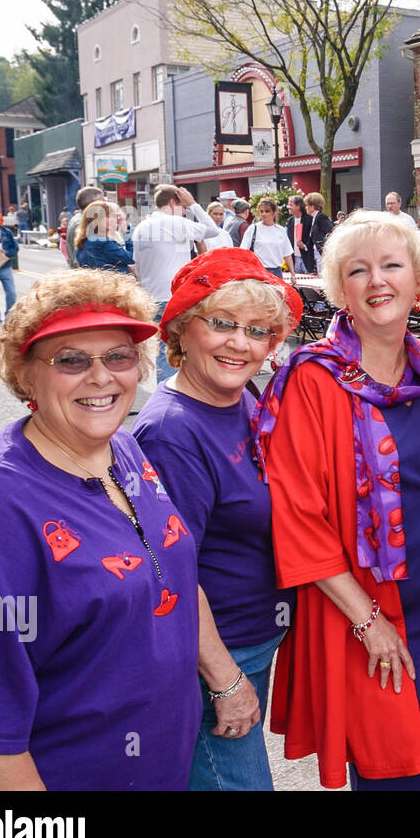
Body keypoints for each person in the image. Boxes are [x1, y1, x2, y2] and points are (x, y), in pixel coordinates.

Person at [0, 270, 199, 789]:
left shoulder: (122, 445)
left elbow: (174, 572)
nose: (101, 377)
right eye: (72, 360)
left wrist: (225, 679)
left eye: (118, 356)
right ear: (25, 374)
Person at [253, 210, 420, 790]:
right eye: (358, 270)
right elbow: (297, 518)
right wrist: (369, 622)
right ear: (341, 289)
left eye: (393, 265)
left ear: (418, 280)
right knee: (390, 765)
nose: (377, 281)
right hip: (359, 610)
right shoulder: (313, 379)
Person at [133, 248, 302, 791]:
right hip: (215, 656)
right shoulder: (172, 431)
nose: (240, 343)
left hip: (251, 639)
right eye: (223, 323)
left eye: (258, 331)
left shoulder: (238, 398)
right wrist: (225, 681)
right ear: (182, 330)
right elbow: (172, 573)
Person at [133, 184, 225, 381]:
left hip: (150, 296)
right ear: (173, 202)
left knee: (162, 352)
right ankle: (174, 395)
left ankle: (167, 392)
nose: (185, 212)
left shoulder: (141, 227)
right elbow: (213, 230)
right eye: (183, 207)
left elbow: (137, 268)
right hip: (173, 297)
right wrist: (193, 203)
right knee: (177, 349)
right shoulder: (175, 223)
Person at [74, 200, 136, 275]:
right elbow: (132, 257)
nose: (115, 219)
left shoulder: (84, 241)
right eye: (110, 216)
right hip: (112, 284)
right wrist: (126, 231)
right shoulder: (103, 242)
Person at [240, 198, 294, 278]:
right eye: (261, 211)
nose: (264, 214)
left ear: (274, 212)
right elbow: (243, 251)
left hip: (277, 272)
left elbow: (287, 254)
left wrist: (293, 274)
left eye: (267, 211)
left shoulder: (281, 230)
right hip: (258, 271)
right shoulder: (253, 228)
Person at [67, 187, 105, 268]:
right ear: (92, 203)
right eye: (102, 201)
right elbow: (84, 257)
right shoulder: (83, 223)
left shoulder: (79, 218)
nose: (104, 204)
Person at [304, 191, 336, 270]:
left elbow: (332, 231)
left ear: (312, 206)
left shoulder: (321, 217)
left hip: (323, 253)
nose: (306, 207)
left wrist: (322, 245)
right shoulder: (314, 218)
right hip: (318, 253)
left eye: (307, 205)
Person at [285, 195, 314, 273]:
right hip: (294, 258)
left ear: (298, 206)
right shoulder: (290, 221)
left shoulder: (309, 219)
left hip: (307, 258)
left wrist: (304, 246)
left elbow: (313, 237)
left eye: (290, 205)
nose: (288, 207)